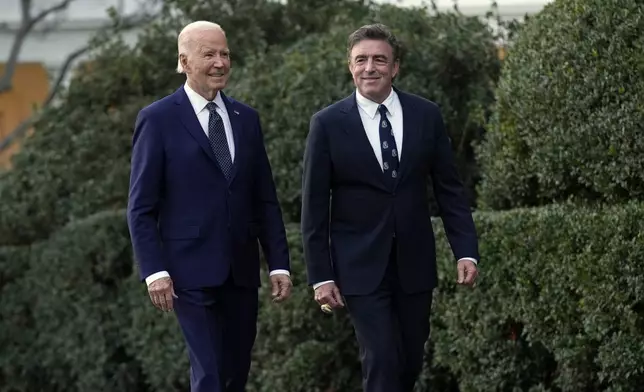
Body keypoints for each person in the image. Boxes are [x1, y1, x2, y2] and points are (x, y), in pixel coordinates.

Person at [301, 23, 479, 392]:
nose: (370, 68)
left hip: (415, 262)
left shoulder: (426, 115)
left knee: (410, 359)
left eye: (379, 60)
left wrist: (466, 251)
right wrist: (322, 275)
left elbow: (449, 190)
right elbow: (314, 209)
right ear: (350, 66)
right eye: (361, 60)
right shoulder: (328, 124)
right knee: (381, 357)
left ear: (395, 67)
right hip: (360, 267)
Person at [126, 21, 292, 392]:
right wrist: (154, 271)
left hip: (241, 270)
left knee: (235, 373)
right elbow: (140, 206)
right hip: (188, 274)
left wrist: (279, 262)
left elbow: (264, 197)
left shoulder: (246, 119)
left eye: (225, 54)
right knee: (210, 375)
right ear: (184, 61)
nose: (220, 62)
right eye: (209, 54)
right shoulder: (158, 119)